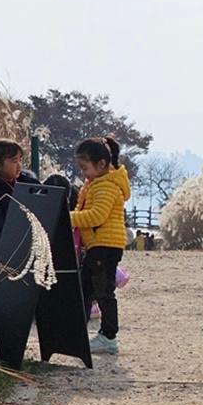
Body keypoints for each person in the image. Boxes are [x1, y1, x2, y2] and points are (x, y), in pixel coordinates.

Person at [70, 136, 131, 355]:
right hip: (99, 245)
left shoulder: (106, 186)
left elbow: (97, 216)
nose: (83, 173)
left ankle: (108, 336)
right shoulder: (96, 184)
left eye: (85, 168)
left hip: (105, 246)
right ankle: (78, 332)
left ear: (102, 165)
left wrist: (67, 218)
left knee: (103, 292)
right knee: (85, 289)